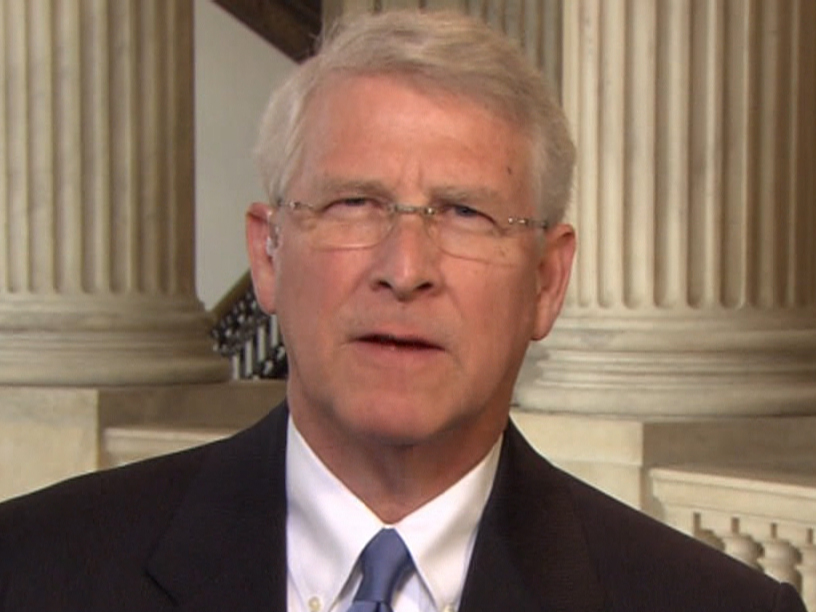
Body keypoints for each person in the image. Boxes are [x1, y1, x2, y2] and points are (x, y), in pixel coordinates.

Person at [0, 10, 807, 612]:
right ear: (269, 254)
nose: (405, 270)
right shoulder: (34, 570)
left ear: (546, 282)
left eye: (465, 213)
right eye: (355, 203)